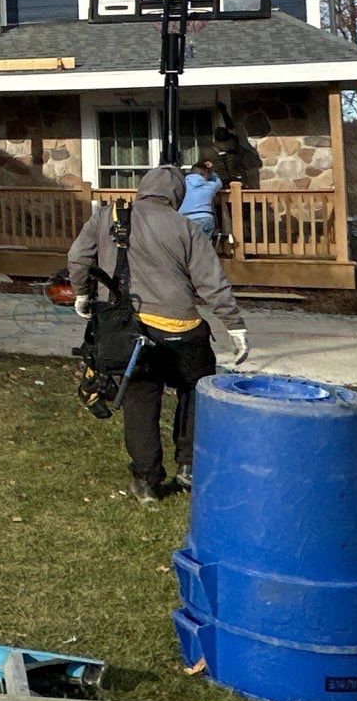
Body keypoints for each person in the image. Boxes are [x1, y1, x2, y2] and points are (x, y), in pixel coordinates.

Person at [69, 163, 250, 503]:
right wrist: (234, 325)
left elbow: (78, 256)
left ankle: (147, 481)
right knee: (196, 389)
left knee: (140, 398)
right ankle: (189, 466)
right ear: (177, 195)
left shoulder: (109, 216)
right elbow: (211, 282)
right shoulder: (187, 227)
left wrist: (81, 293)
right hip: (182, 328)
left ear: (143, 187)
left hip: (130, 329)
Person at [180, 158, 223, 237]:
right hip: (206, 217)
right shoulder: (210, 185)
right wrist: (211, 171)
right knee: (205, 246)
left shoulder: (183, 184)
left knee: (188, 246)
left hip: (186, 218)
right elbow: (219, 183)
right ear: (205, 174)